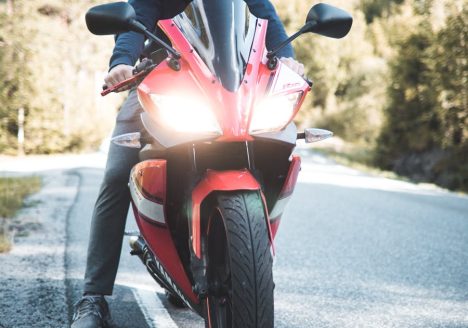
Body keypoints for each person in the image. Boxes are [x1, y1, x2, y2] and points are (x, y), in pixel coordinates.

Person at [72, 0, 304, 327]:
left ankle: (244, 257)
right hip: (166, 78)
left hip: (234, 88)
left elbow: (265, 18)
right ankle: (93, 297)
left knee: (278, 143)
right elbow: (135, 19)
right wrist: (122, 62)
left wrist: (289, 59)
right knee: (116, 173)